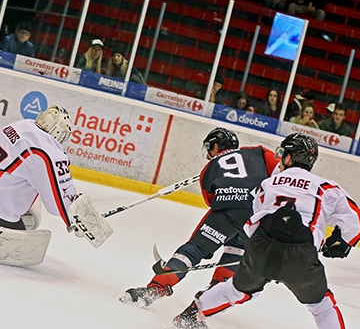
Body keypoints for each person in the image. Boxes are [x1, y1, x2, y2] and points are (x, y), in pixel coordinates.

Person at [172, 133, 360, 329]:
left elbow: (253, 223)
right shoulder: (325, 187)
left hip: (261, 248)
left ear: (289, 157)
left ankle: (190, 315)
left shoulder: (269, 183)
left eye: (282, 153)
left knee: (236, 290)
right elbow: (357, 221)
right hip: (301, 255)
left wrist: (259, 250)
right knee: (321, 304)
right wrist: (341, 242)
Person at [120, 127, 281, 307]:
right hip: (259, 213)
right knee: (236, 252)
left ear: (216, 146)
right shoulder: (256, 152)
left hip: (228, 213)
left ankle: (156, 288)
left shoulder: (209, 169)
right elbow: (281, 171)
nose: (208, 154)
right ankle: (207, 302)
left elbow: (211, 201)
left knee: (194, 249)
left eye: (210, 148)